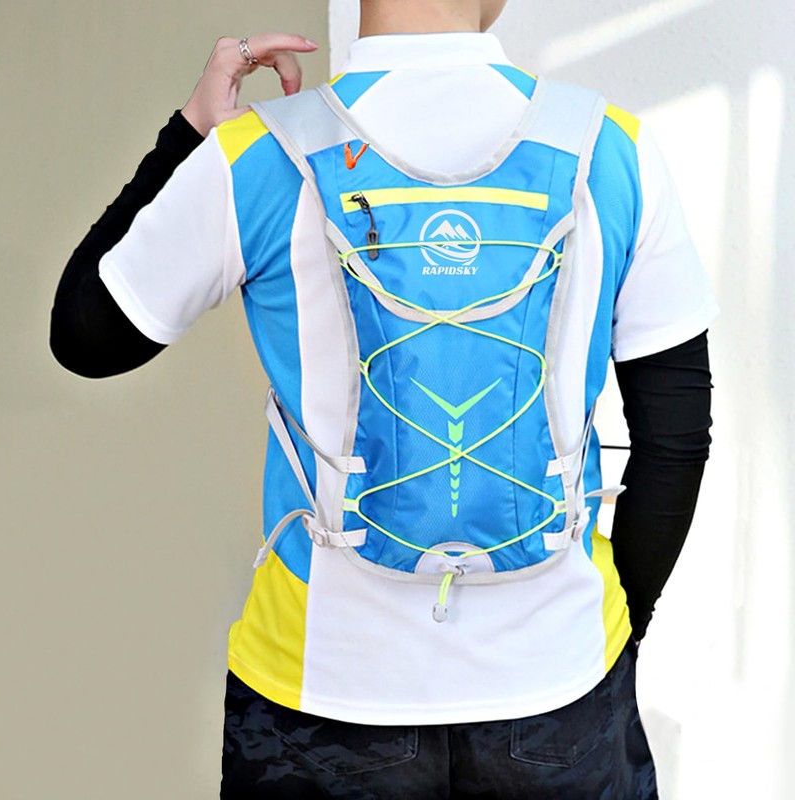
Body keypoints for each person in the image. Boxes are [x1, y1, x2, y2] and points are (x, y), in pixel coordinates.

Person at [50, 1, 717, 797]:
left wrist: (191, 132)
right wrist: (605, 640)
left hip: (320, 692)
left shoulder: (258, 154)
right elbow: (677, 439)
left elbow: (86, 335)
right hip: (559, 692)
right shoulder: (613, 150)